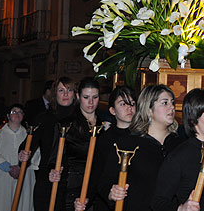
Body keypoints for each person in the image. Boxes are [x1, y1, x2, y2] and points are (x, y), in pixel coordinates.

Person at [95, 84, 182, 211]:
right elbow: (105, 182)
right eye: (165, 103)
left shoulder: (179, 145)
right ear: (149, 109)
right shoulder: (127, 144)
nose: (172, 107)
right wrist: (111, 192)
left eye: (172, 102)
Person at [48, 77, 109, 211]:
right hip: (74, 189)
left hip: (101, 189)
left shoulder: (106, 123)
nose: (91, 102)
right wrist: (53, 171)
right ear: (78, 96)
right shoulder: (67, 124)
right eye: (86, 97)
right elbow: (54, 158)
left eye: (95, 97)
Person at [19, 76, 76, 211]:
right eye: (61, 90)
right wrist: (23, 153)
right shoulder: (44, 118)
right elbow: (28, 144)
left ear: (75, 94)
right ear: (55, 93)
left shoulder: (80, 120)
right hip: (46, 179)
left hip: (71, 183)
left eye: (69, 90)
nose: (65, 94)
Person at [0, 104, 39, 211]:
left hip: (24, 175)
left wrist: (21, 167)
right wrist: (9, 168)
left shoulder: (29, 136)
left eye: (20, 112)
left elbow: (36, 154)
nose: (17, 114)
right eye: (14, 112)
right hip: (1, 176)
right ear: (8, 116)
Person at [90, 85, 137, 211]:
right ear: (112, 110)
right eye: (123, 104)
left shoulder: (143, 137)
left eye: (132, 103)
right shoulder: (105, 139)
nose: (129, 108)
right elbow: (96, 175)